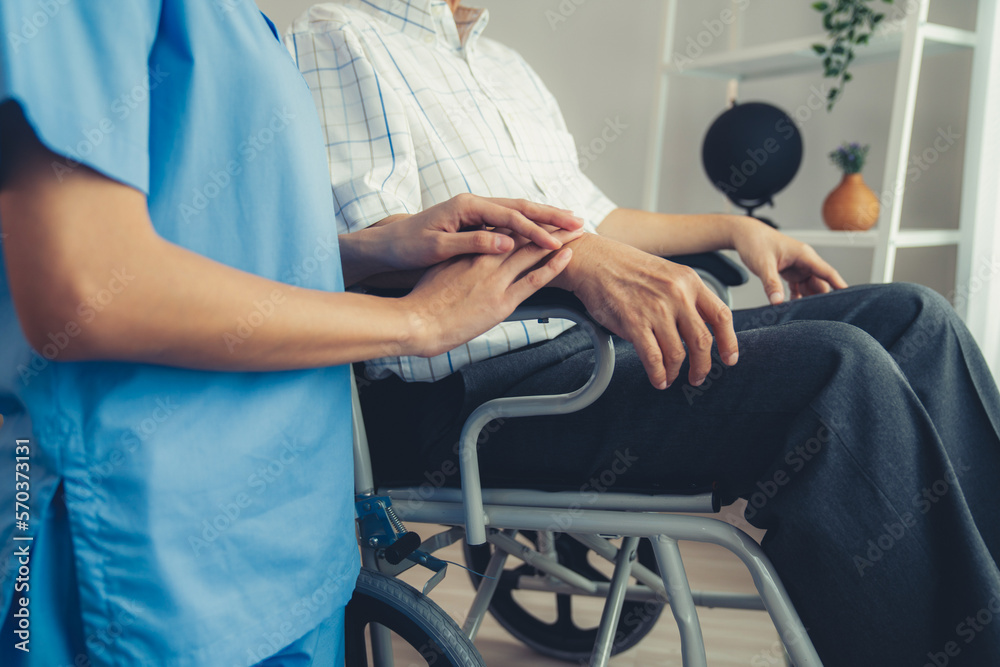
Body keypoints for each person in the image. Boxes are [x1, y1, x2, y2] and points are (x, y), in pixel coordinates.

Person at [287, 1, 1000, 664]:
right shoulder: (339, 36)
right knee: (834, 374)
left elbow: (596, 222)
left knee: (914, 318)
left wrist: (735, 227)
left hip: (588, 353)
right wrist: (578, 262)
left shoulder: (506, 67)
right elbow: (378, 243)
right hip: (473, 391)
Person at [0, 1, 583, 665]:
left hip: (289, 530)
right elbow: (87, 286)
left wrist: (372, 248)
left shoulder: (241, 20)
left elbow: (210, 241)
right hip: (150, 548)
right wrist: (413, 322)